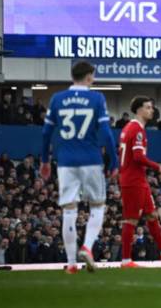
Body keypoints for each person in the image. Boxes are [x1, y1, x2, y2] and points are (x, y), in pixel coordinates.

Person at [40, 60, 119, 274]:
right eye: (93, 75)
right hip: (91, 159)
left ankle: (72, 263)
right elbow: (106, 133)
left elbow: (46, 133)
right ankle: (87, 246)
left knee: (69, 210)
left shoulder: (57, 99)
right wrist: (114, 160)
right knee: (97, 206)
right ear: (88, 76)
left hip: (65, 162)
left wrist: (45, 160)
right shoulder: (96, 98)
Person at [118, 96, 161, 268]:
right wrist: (158, 167)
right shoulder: (137, 129)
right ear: (139, 110)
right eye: (148, 107)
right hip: (133, 180)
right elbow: (138, 156)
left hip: (137, 179)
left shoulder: (128, 128)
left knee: (152, 215)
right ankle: (126, 260)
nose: (151, 110)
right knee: (131, 220)